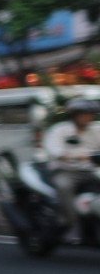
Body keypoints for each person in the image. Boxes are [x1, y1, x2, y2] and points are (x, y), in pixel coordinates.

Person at [41, 101, 99, 235]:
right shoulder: (60, 130)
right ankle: (71, 223)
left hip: (90, 170)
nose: (87, 118)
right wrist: (69, 155)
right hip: (66, 170)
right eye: (84, 115)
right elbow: (53, 149)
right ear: (74, 115)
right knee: (64, 186)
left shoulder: (95, 130)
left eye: (89, 115)